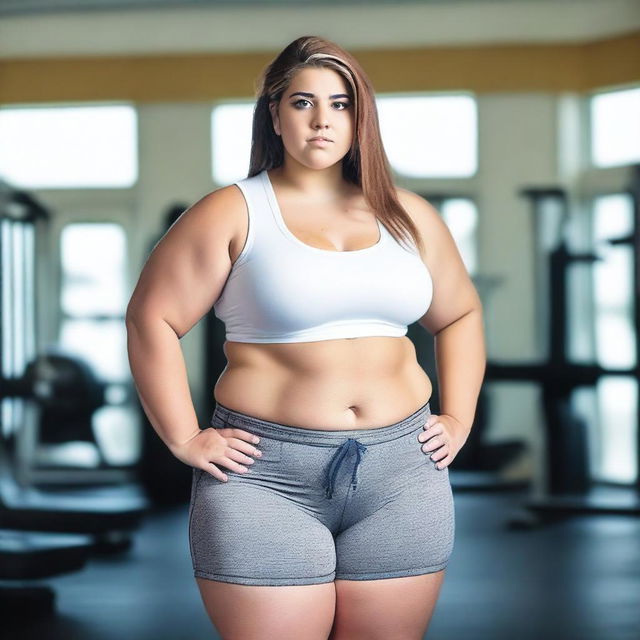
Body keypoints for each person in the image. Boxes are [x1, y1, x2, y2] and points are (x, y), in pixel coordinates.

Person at [126, 35, 486, 640]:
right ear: (275, 112)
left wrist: (460, 417)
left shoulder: (409, 214)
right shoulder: (232, 211)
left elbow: (460, 315)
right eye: (302, 102)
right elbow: (150, 320)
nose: (322, 120)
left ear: (360, 117)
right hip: (267, 477)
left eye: (341, 104)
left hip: (404, 471)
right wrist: (184, 436)